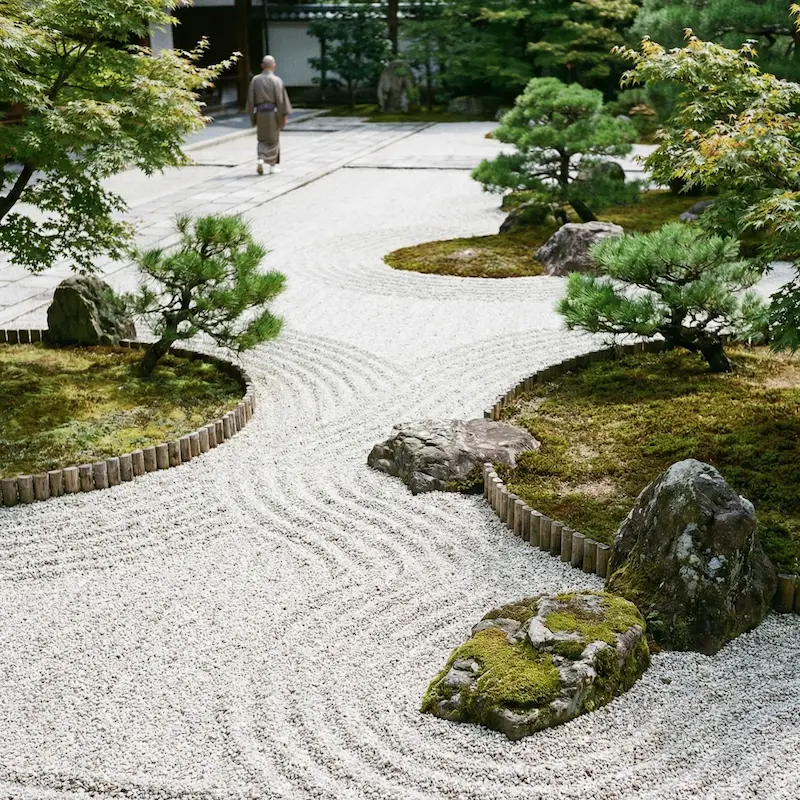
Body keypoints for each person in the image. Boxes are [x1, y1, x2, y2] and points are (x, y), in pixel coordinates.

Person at [246, 56, 293, 175]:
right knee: (273, 140)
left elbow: (251, 100)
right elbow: (281, 101)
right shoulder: (276, 80)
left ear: (262, 66)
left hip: (260, 113)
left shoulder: (255, 80)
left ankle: (261, 158)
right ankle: (272, 166)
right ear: (274, 65)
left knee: (262, 139)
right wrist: (283, 116)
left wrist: (253, 116)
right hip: (273, 113)